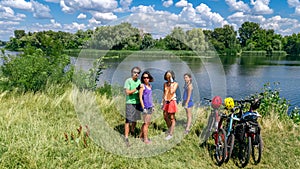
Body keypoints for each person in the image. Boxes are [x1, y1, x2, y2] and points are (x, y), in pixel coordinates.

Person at [124, 66, 142, 146]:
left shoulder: (139, 81)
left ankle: (132, 131)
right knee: (128, 120)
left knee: (135, 119)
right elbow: (127, 92)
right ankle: (126, 137)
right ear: (132, 73)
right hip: (130, 103)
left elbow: (141, 91)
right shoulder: (128, 81)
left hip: (137, 103)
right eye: (135, 72)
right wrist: (136, 89)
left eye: (138, 73)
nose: (136, 74)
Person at [139, 71, 154, 144]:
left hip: (150, 106)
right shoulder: (142, 86)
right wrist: (143, 108)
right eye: (144, 77)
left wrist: (153, 105)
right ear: (142, 79)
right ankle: (145, 139)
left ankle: (140, 136)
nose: (146, 79)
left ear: (149, 78)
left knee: (147, 123)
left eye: (147, 77)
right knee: (146, 123)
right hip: (145, 107)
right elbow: (140, 98)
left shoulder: (150, 86)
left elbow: (150, 97)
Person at [162, 70, 178, 140]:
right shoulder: (165, 84)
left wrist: (171, 83)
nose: (168, 77)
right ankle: (170, 129)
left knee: (171, 118)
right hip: (166, 102)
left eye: (169, 76)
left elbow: (171, 92)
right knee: (165, 116)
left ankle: (170, 134)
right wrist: (162, 103)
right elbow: (164, 93)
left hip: (172, 101)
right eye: (167, 76)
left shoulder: (175, 84)